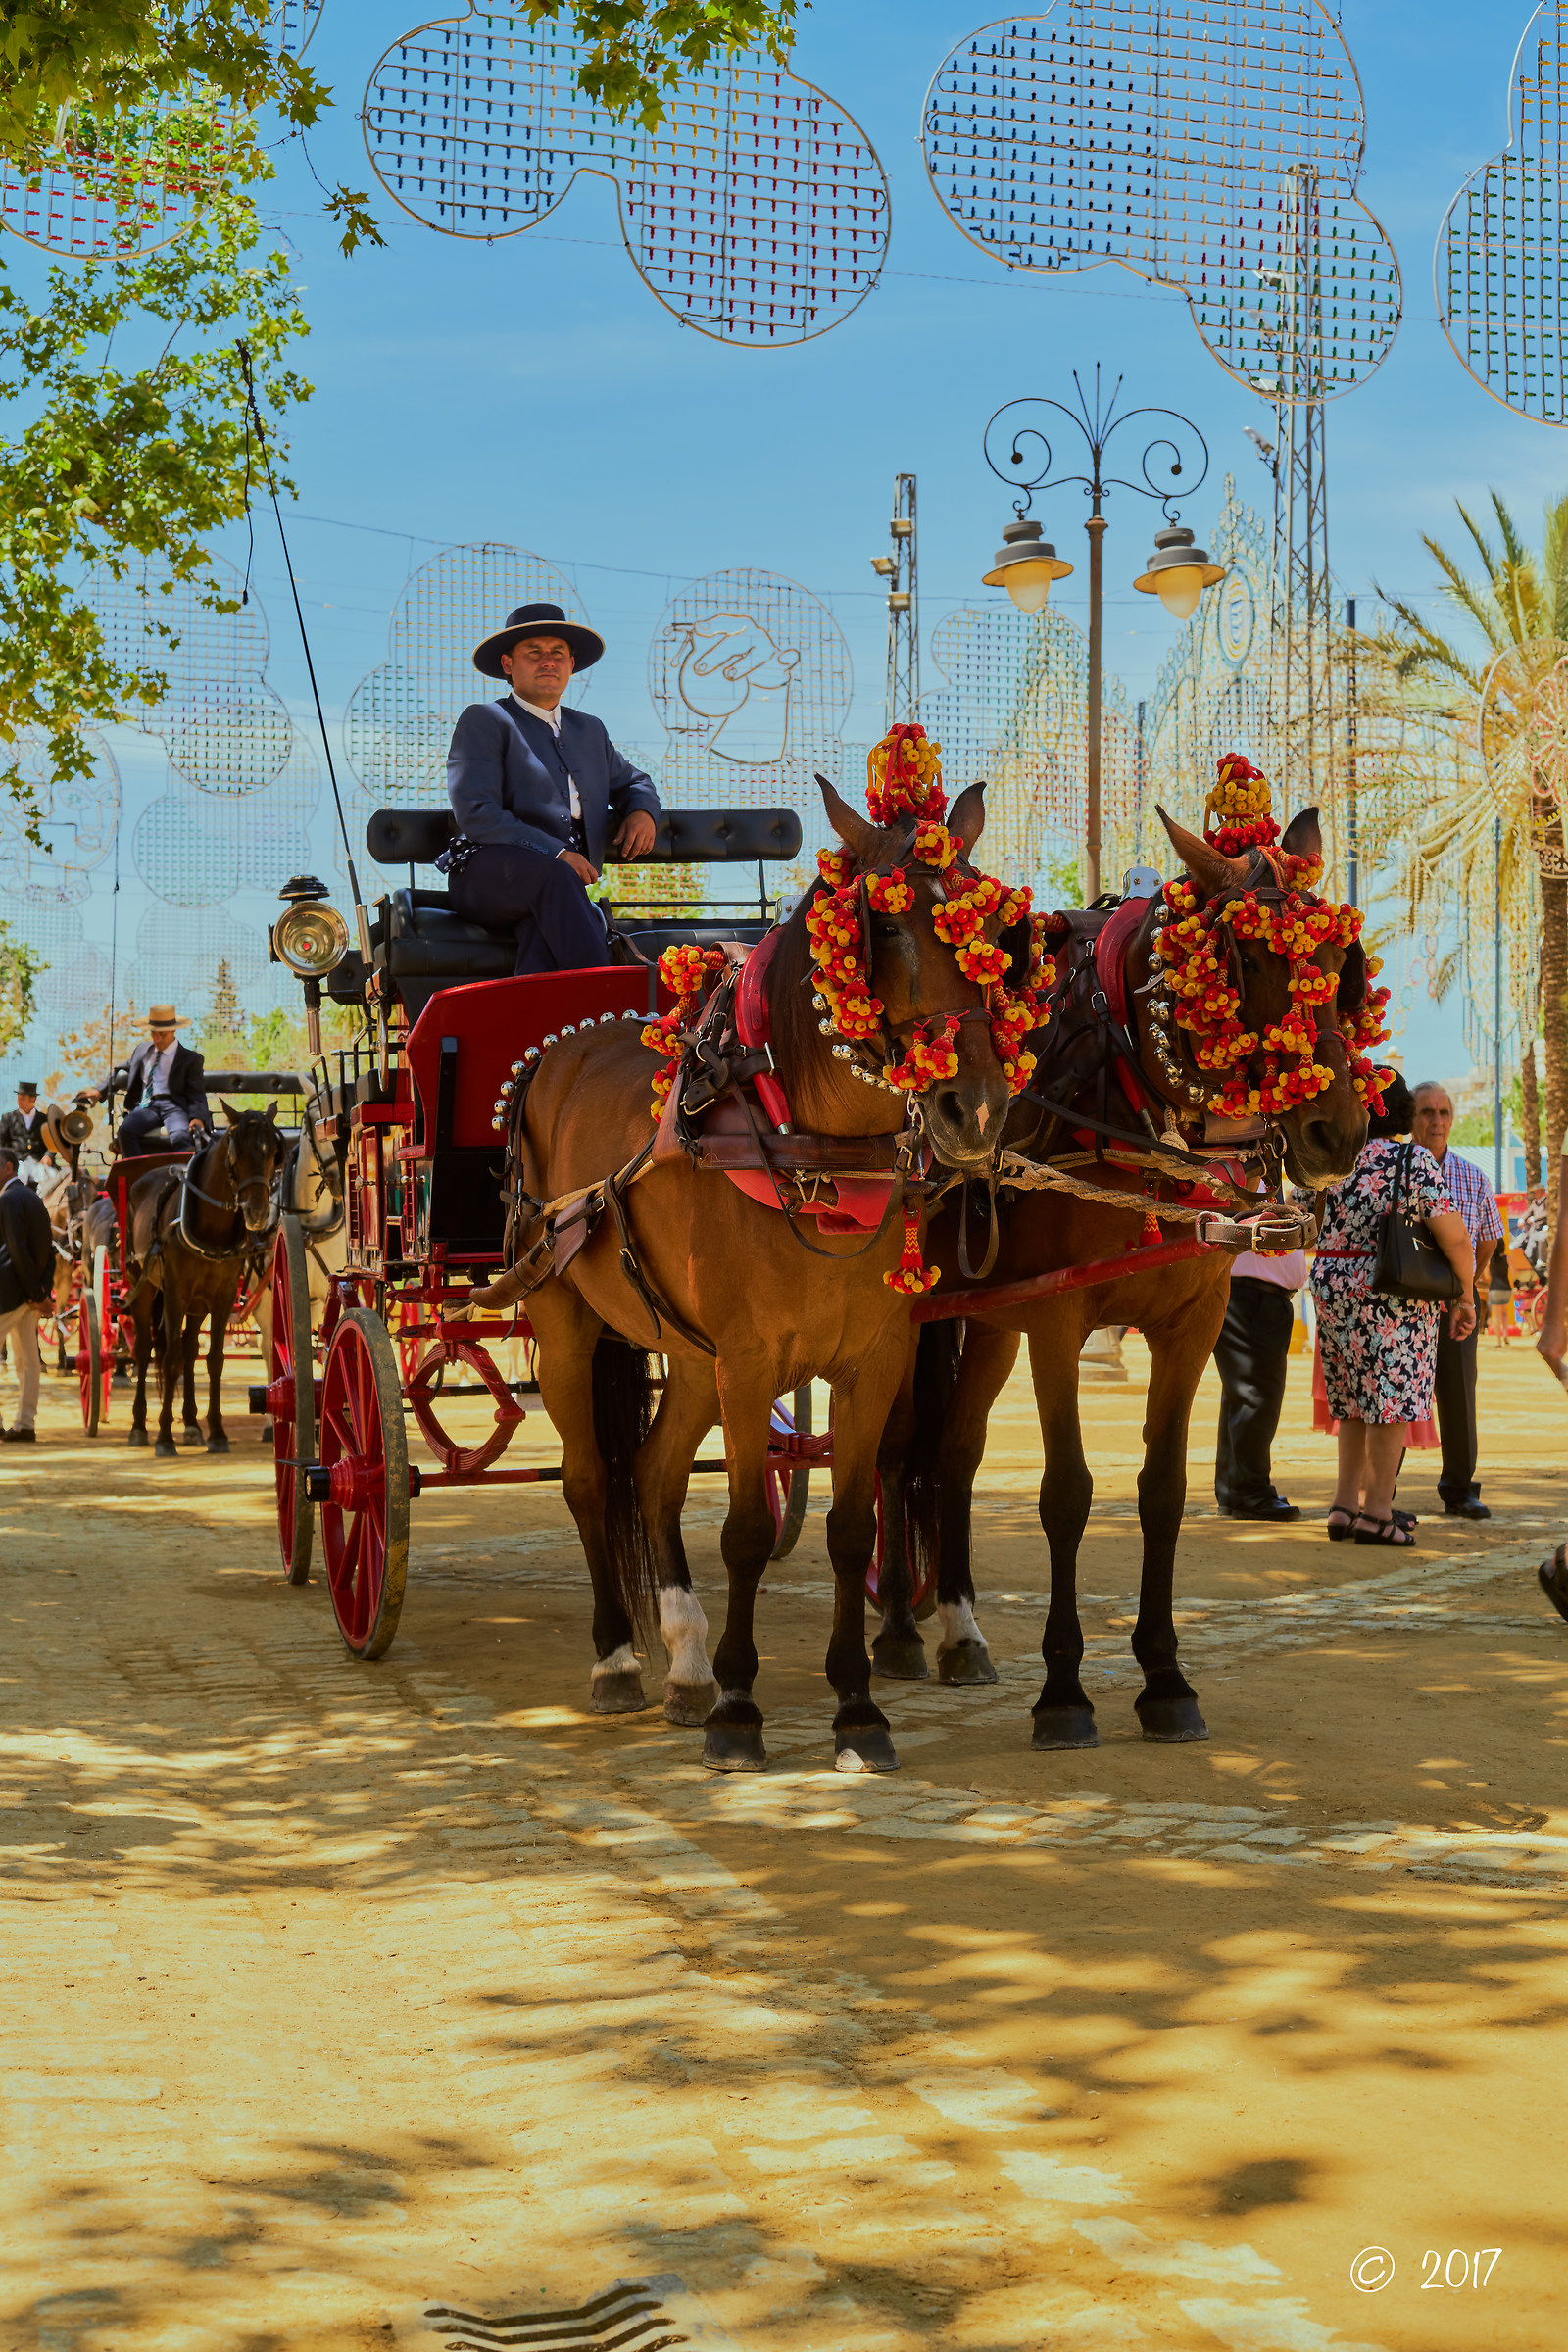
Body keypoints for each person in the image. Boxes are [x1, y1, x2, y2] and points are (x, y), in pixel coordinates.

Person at [439, 600, 662, 975]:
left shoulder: (589, 730)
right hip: (485, 874)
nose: (548, 661)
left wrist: (642, 811)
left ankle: (542, 1032)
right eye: (534, 653)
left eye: (558, 653)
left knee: (543, 933)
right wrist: (558, 854)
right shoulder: (486, 719)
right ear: (508, 665)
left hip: (555, 891)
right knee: (561, 886)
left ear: (571, 665)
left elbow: (634, 781)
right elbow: (478, 813)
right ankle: (607, 1009)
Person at [1310, 1073, 1476, 1546]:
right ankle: (1378, 1513)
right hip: (1392, 1291)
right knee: (1390, 1404)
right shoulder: (1413, 1159)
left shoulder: (1329, 1158)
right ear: (1401, 1109)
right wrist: (1465, 1294)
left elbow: (1300, 1213)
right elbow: (1456, 1239)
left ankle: (1344, 1506)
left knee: (1352, 1402)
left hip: (1332, 1285)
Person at [1411, 1080, 1504, 1519]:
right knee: (1395, 1397)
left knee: (1459, 1395)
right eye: (1427, 1112)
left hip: (1456, 1306)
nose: (1436, 1121)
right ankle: (1380, 1493)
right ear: (1411, 1119)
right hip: (1403, 1307)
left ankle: (1460, 1488)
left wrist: (1464, 1287)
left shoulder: (1472, 1175)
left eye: (1444, 1112)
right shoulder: (1394, 1170)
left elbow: (1488, 1237)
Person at [1213, 1235, 1307, 1521]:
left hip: (1256, 1294)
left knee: (1243, 1395)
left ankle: (1236, 1489)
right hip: (1251, 1294)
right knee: (1255, 1395)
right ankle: (1248, 1492)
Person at [80, 1005, 210, 1152]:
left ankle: (183, 1172)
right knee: (125, 1131)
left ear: (173, 1031)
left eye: (162, 1034)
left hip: (175, 1107)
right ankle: (137, 1171)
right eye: (154, 1033)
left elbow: (197, 1092)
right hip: (147, 1107)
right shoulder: (142, 1051)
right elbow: (119, 1071)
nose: (157, 1038)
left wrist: (198, 1117)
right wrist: (98, 1091)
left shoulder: (190, 1059)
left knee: (181, 1135)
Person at [0, 1143, 56, 1442]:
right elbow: (48, 1250)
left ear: (9, 1167)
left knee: (24, 1361)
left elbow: (17, 1252)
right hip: (28, 1294)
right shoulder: (34, 1199)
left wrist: (36, 1293)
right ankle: (25, 1424)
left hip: (9, 1293)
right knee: (28, 1361)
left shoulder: (7, 1199)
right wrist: (42, 1292)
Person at [0, 1084, 48, 1189]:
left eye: (22, 1098)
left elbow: (52, 1142)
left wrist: (48, 1156)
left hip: (39, 1162)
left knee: (49, 1181)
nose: (19, 1101)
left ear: (33, 1099)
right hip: (16, 1162)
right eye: (18, 1098)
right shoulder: (8, 1118)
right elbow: (2, 1143)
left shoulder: (44, 1119)